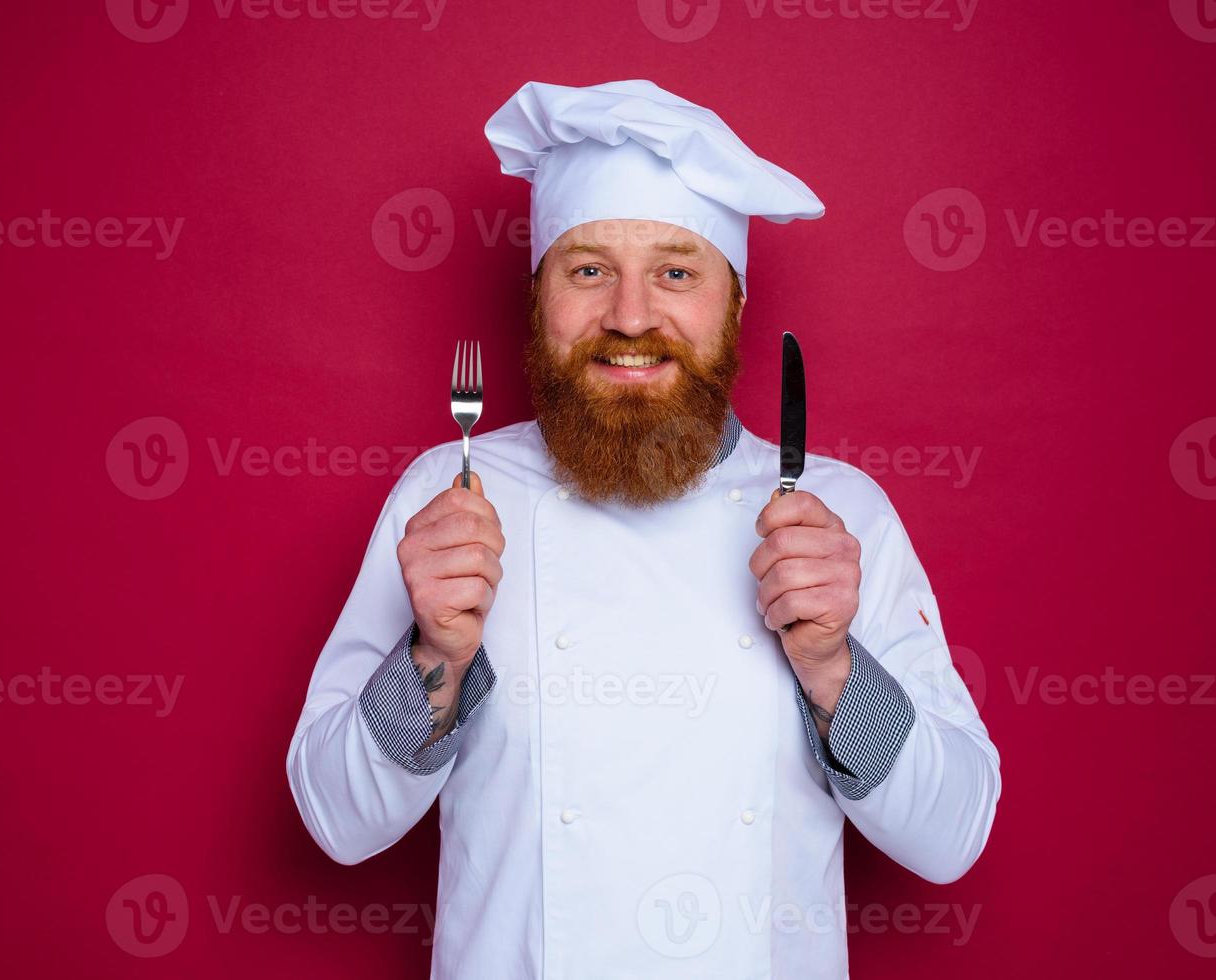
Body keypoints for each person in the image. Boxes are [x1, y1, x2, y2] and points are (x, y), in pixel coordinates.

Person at [286, 78, 1000, 979]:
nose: (629, 317)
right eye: (588, 270)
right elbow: (336, 825)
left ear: (733, 304)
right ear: (537, 297)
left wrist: (833, 669)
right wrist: (435, 656)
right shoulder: (451, 494)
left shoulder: (836, 513)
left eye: (674, 271)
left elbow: (952, 838)